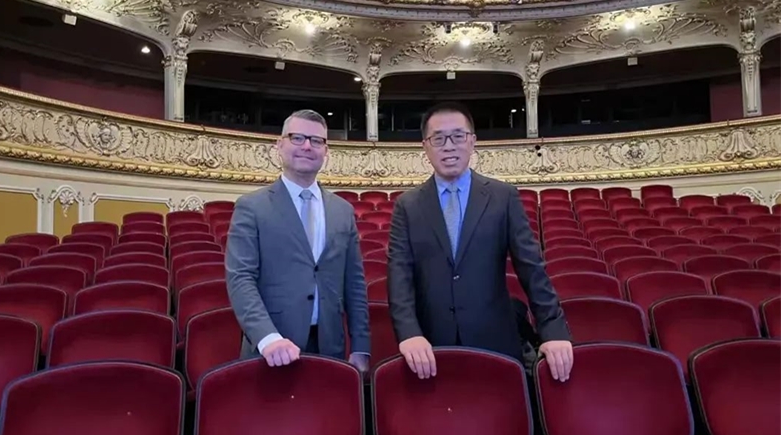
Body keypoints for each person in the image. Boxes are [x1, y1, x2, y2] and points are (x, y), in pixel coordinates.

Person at [387, 102, 573, 382]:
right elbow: (399, 275)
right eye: (438, 138)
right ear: (425, 146)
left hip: (495, 340)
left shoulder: (503, 196)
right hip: (429, 347)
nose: (449, 146)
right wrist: (409, 333)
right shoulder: (407, 205)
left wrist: (553, 331)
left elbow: (531, 268)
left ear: (472, 141)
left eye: (458, 136)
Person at [225, 109, 370, 373]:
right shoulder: (251, 207)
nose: (307, 146)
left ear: (326, 151)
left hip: (330, 347)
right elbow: (241, 278)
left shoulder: (343, 210)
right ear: (280, 145)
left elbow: (355, 284)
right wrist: (268, 338)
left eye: (316, 140)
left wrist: (360, 346)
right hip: (270, 350)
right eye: (297, 138)